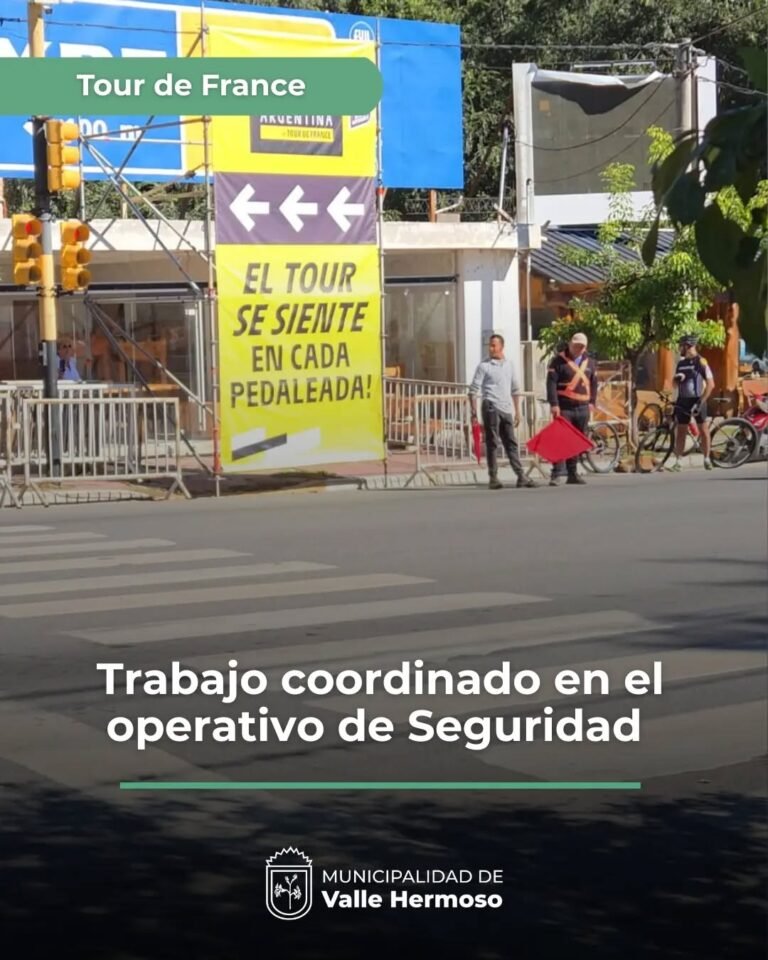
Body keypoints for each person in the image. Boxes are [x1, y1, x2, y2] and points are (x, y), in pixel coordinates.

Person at [468, 333, 537, 490]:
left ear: (501, 347)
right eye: (490, 346)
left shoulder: (509, 365)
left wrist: (517, 411)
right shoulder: (484, 366)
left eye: (494, 345)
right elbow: (473, 390)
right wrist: (473, 411)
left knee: (511, 442)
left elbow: (515, 388)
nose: (491, 349)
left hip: (506, 407)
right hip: (490, 405)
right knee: (492, 442)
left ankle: (521, 475)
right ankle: (493, 476)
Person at [546, 331, 598, 486]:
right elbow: (551, 384)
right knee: (561, 440)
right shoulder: (558, 361)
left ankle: (572, 472)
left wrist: (592, 402)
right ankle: (556, 473)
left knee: (576, 441)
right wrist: (554, 404)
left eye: (582, 347)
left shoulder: (590, 362)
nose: (579, 349)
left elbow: (594, 383)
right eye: (576, 345)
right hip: (565, 406)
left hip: (582, 407)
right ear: (570, 344)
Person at [667, 334, 714, 472]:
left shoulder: (701, 362)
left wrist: (701, 401)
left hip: (697, 399)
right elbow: (674, 385)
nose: (679, 348)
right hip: (683, 400)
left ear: (688, 346)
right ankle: (678, 461)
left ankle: (707, 458)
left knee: (703, 430)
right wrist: (676, 380)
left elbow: (711, 384)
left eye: (681, 346)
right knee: (681, 431)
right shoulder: (681, 363)